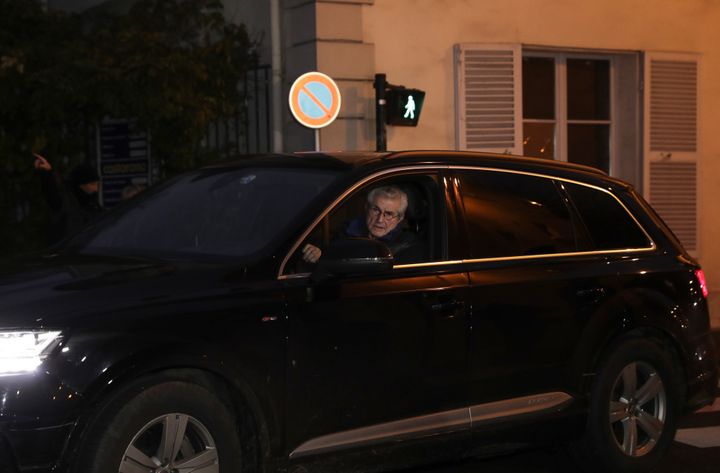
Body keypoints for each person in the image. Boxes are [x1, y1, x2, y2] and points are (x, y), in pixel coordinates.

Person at [302, 185, 425, 265]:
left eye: (388, 214)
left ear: (400, 218)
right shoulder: (346, 231)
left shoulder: (408, 245)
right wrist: (318, 255)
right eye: (376, 210)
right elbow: (331, 260)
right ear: (366, 208)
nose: (380, 219)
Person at [34, 153, 103, 244]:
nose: (96, 189)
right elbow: (51, 194)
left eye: (97, 184)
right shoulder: (65, 203)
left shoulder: (94, 206)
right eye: (92, 184)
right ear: (80, 185)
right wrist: (47, 173)